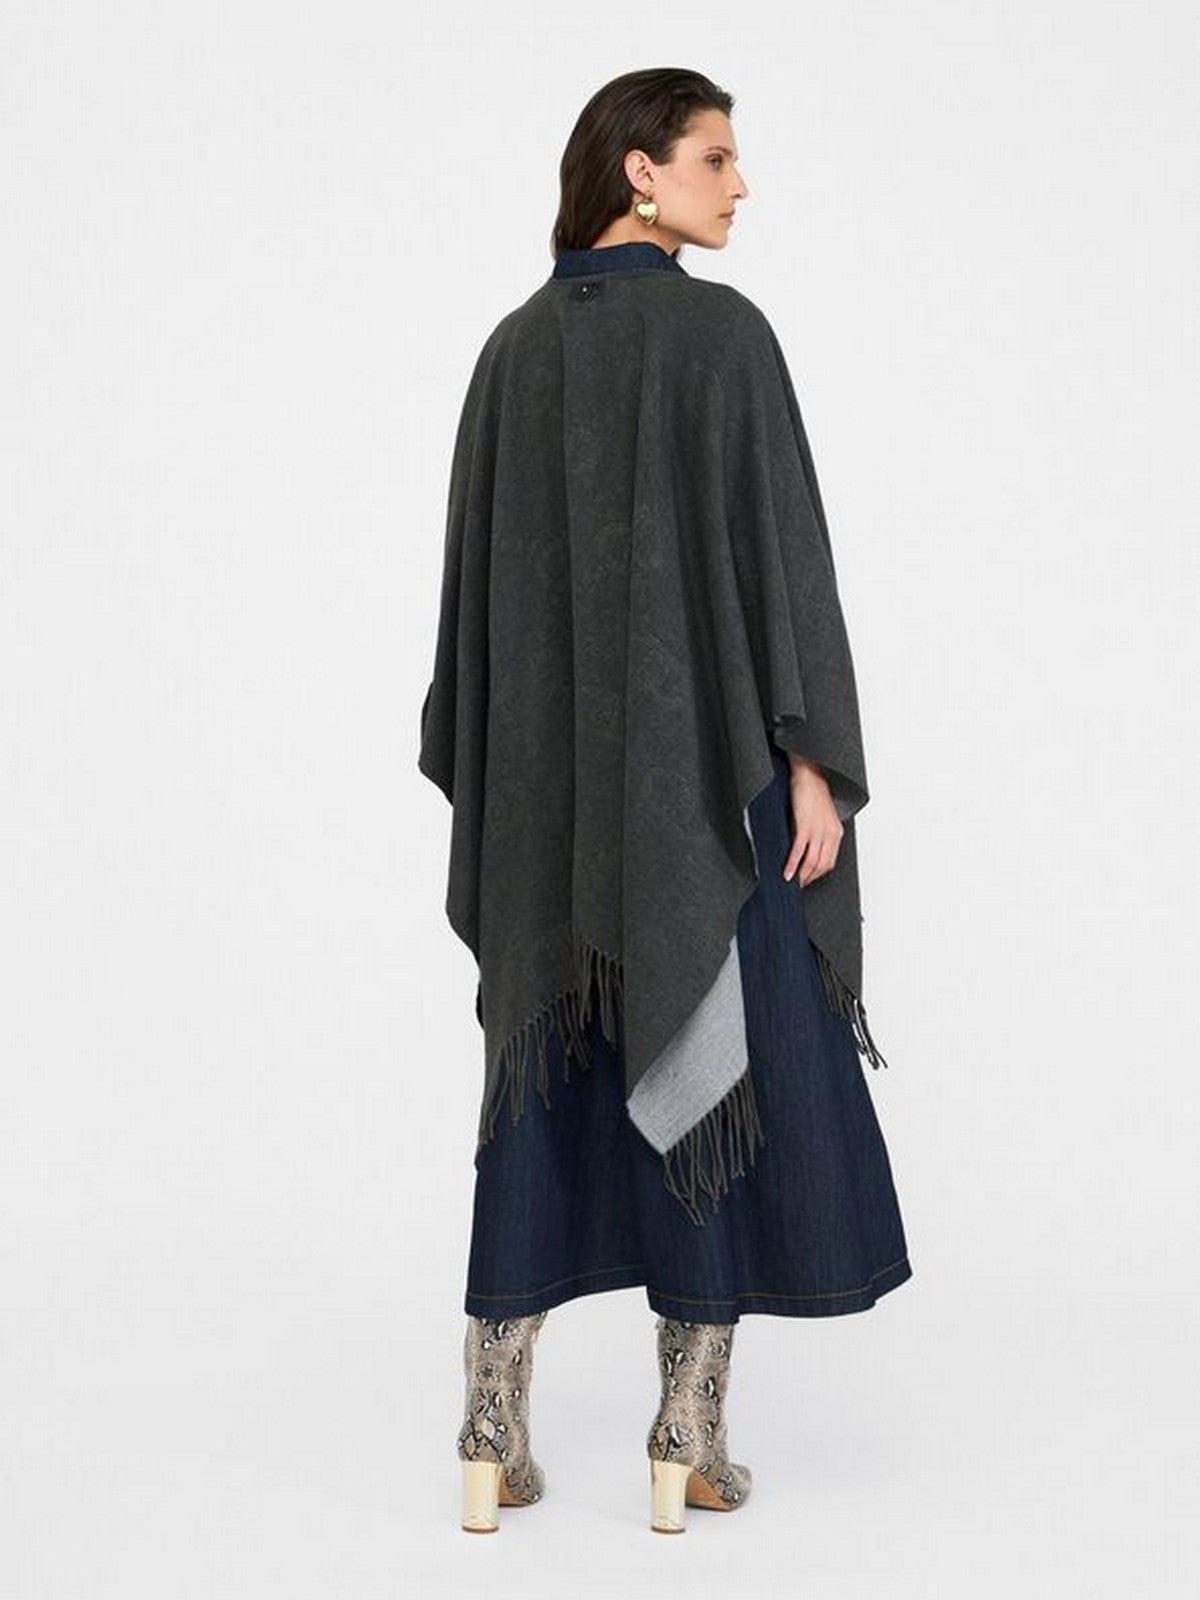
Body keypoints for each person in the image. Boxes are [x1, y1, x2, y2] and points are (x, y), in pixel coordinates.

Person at [417, 67, 913, 1536]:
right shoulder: (723, 338)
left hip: (544, 815)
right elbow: (783, 561)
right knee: (707, 1062)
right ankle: (683, 1433)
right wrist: (813, 761)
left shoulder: (510, 353)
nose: (739, 184)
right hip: (704, 794)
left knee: (537, 1086)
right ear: (640, 172)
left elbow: (471, 626)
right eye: (716, 156)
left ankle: (489, 1422)